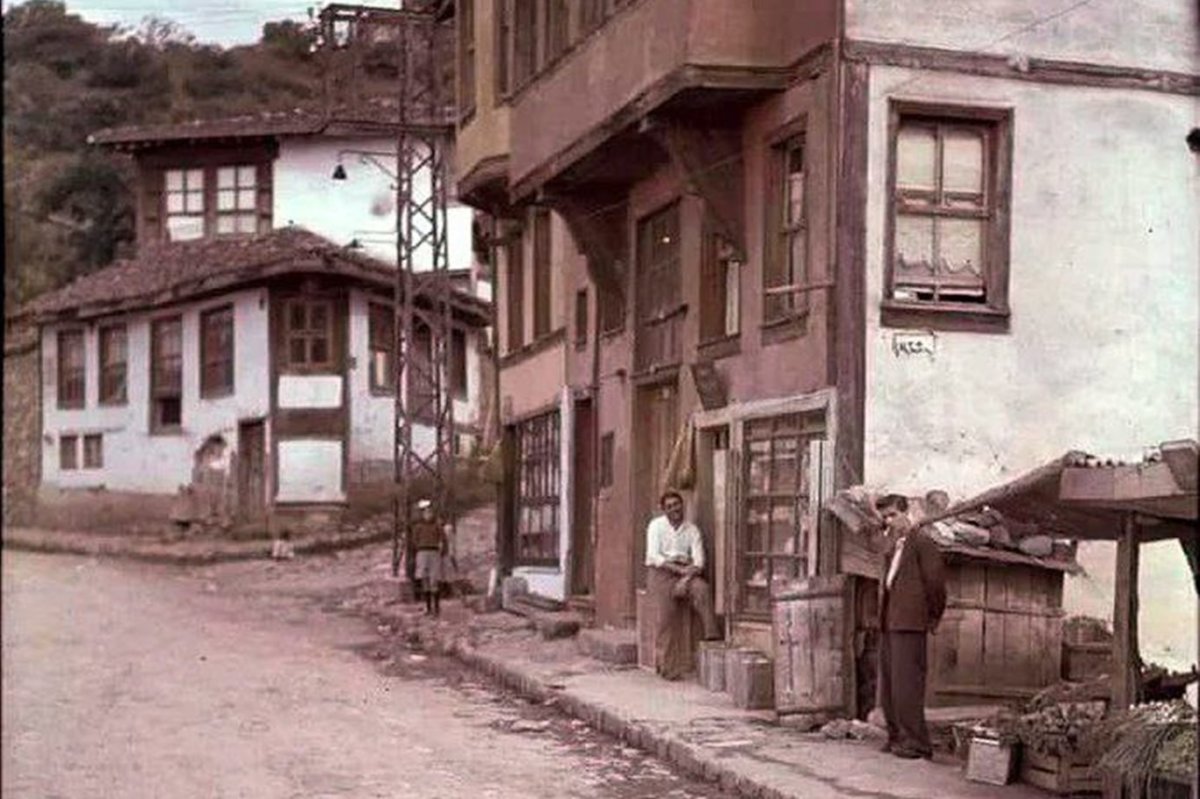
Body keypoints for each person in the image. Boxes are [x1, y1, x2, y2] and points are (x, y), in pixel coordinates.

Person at [876, 493, 947, 759]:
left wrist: (933, 617)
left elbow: (936, 585)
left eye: (894, 515)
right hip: (889, 622)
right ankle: (896, 736)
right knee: (891, 686)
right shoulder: (893, 546)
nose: (890, 521)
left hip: (910, 624)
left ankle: (917, 742)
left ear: (908, 512)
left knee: (907, 685)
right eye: (885, 517)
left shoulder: (923, 543)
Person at [644, 490, 721, 680]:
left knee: (702, 589)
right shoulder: (656, 526)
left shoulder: (692, 529)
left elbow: (699, 562)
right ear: (663, 510)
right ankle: (667, 666)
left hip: (686, 572)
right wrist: (678, 573)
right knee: (666, 618)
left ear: (682, 506)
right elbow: (654, 556)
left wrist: (685, 579)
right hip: (662, 572)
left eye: (677, 505)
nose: (675, 509)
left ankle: (713, 638)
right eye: (669, 507)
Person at [410, 498, 449, 617]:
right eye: (426, 513)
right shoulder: (418, 527)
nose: (428, 515)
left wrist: (443, 550)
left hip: (434, 552)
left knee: (434, 580)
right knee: (424, 578)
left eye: (430, 512)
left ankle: (436, 608)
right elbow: (414, 541)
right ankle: (428, 607)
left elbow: (443, 540)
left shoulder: (437, 526)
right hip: (422, 552)